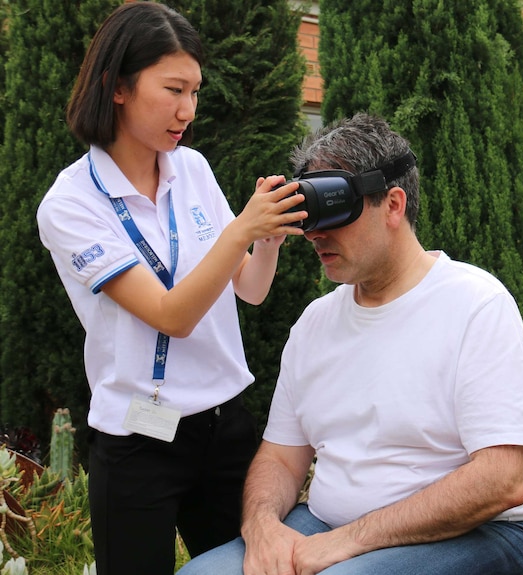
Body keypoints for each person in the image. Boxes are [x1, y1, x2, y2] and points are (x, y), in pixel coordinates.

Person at [178, 112, 523, 575]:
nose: (315, 234)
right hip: (333, 526)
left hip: (502, 531)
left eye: (333, 212)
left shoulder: (475, 303)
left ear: (393, 205)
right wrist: (262, 525)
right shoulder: (315, 324)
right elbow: (281, 459)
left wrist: (347, 543)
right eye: (307, 217)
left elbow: (504, 480)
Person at [35, 3, 308, 574]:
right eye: (173, 89)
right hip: (138, 440)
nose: (188, 110)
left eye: (196, 92)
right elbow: (169, 315)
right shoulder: (71, 205)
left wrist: (269, 239)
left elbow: (250, 291)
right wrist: (241, 230)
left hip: (225, 427)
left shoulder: (193, 169)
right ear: (117, 87)